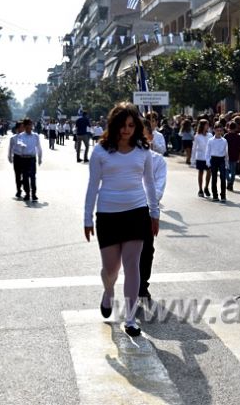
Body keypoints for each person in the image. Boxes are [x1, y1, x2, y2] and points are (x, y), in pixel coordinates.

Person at [83, 102, 160, 337]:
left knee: (132, 266)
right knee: (110, 269)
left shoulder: (143, 151)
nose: (126, 130)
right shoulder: (100, 152)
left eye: (130, 125)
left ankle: (130, 318)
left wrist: (154, 213)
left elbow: (149, 183)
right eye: (122, 125)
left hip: (136, 213)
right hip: (107, 215)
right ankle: (108, 292)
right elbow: (92, 186)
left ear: (136, 126)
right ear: (113, 125)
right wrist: (87, 218)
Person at [139, 118, 167, 302]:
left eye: (143, 133)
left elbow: (158, 187)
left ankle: (142, 285)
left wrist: (153, 211)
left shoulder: (158, 161)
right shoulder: (123, 156)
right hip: (126, 208)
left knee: (147, 250)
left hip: (146, 209)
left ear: (150, 136)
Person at [17, 118, 43, 202]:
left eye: (30, 125)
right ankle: (27, 193)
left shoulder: (35, 136)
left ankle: (34, 194)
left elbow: (39, 147)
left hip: (32, 158)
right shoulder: (21, 135)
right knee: (25, 177)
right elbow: (19, 142)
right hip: (24, 158)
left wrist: (40, 157)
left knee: (32, 177)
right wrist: (22, 144)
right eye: (27, 125)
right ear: (24, 126)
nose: (29, 126)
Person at [205, 122, 228, 202]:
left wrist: (226, 163)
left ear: (222, 131)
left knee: (223, 178)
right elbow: (207, 152)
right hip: (214, 159)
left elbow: (226, 152)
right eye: (217, 130)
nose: (218, 132)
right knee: (214, 178)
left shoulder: (224, 141)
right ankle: (215, 195)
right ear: (214, 130)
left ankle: (223, 195)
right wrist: (208, 162)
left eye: (220, 130)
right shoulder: (210, 140)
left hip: (221, 159)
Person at [191, 119, 211, 197]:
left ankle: (206, 187)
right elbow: (194, 148)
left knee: (209, 172)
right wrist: (192, 160)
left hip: (208, 157)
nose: (208, 126)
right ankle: (200, 189)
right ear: (202, 126)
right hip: (200, 157)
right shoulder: (197, 136)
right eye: (206, 125)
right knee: (201, 172)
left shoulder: (210, 135)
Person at [224, 121, 240, 191]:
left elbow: (223, 146)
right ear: (235, 128)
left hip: (227, 155)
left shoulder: (226, 136)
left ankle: (228, 181)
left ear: (228, 128)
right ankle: (231, 183)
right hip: (235, 155)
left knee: (226, 170)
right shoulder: (238, 137)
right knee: (233, 171)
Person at [8, 121, 24, 198]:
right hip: (17, 157)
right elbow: (10, 148)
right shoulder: (13, 138)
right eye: (21, 127)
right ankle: (18, 190)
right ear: (17, 128)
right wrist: (10, 157)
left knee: (25, 174)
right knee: (17, 175)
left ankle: (23, 183)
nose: (23, 128)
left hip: (25, 158)